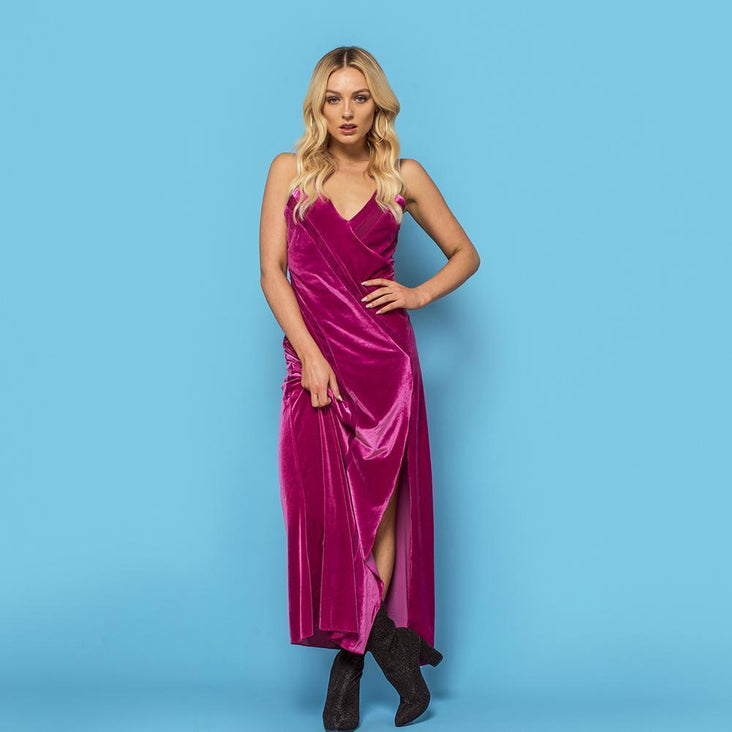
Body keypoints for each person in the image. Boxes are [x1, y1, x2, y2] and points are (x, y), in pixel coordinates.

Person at [259, 46, 480, 730]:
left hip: (385, 368)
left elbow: (466, 254)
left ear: (376, 104)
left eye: (359, 97)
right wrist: (309, 354)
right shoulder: (290, 171)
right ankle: (396, 654)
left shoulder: (401, 176)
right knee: (323, 517)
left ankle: (347, 675)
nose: (347, 111)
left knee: (376, 516)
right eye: (334, 98)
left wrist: (416, 295)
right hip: (315, 367)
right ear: (317, 106)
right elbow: (271, 273)